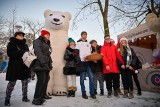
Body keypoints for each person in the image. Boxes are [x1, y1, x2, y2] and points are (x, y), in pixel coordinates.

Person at [5, 31, 31, 106]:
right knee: (12, 83)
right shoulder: (12, 43)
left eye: (23, 35)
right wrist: (21, 53)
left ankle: (25, 97)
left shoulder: (25, 45)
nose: (22, 36)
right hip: (14, 66)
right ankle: (7, 99)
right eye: (20, 35)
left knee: (25, 82)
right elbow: (9, 53)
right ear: (16, 36)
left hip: (24, 66)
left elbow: (27, 54)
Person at [31, 30, 53, 105]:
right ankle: (36, 98)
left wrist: (50, 64)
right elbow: (38, 52)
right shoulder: (38, 41)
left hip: (46, 64)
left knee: (46, 80)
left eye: (49, 35)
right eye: (47, 35)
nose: (48, 36)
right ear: (43, 35)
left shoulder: (46, 42)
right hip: (39, 64)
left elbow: (48, 54)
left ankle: (42, 95)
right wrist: (43, 62)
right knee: (41, 81)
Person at [76, 31, 96, 99]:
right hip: (82, 62)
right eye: (84, 34)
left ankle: (92, 93)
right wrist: (79, 61)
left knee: (91, 77)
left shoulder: (89, 43)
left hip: (88, 62)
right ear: (81, 35)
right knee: (82, 79)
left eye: (86, 34)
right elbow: (76, 53)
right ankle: (83, 93)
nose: (85, 35)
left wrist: (93, 58)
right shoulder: (78, 43)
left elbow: (90, 53)